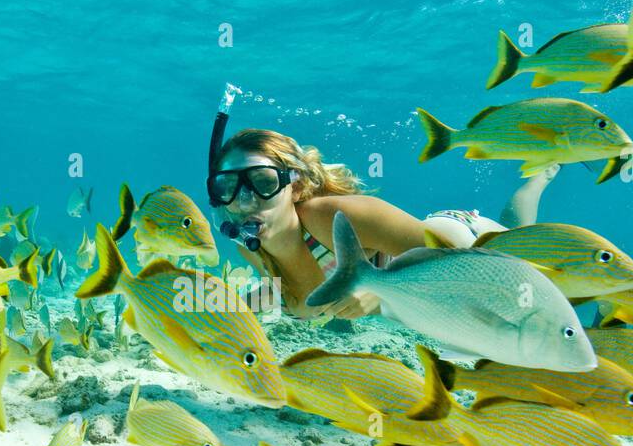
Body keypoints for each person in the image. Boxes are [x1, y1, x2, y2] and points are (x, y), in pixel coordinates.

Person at [208, 127, 556, 320]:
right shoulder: (250, 247)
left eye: (263, 181)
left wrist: (382, 288)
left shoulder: (334, 219)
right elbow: (285, 291)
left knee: (538, 273)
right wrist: (220, 311)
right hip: (437, 285)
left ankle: (540, 176)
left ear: (295, 186)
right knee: (519, 230)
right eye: (227, 187)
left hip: (460, 241)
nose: (244, 200)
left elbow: (463, 267)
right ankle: (538, 180)